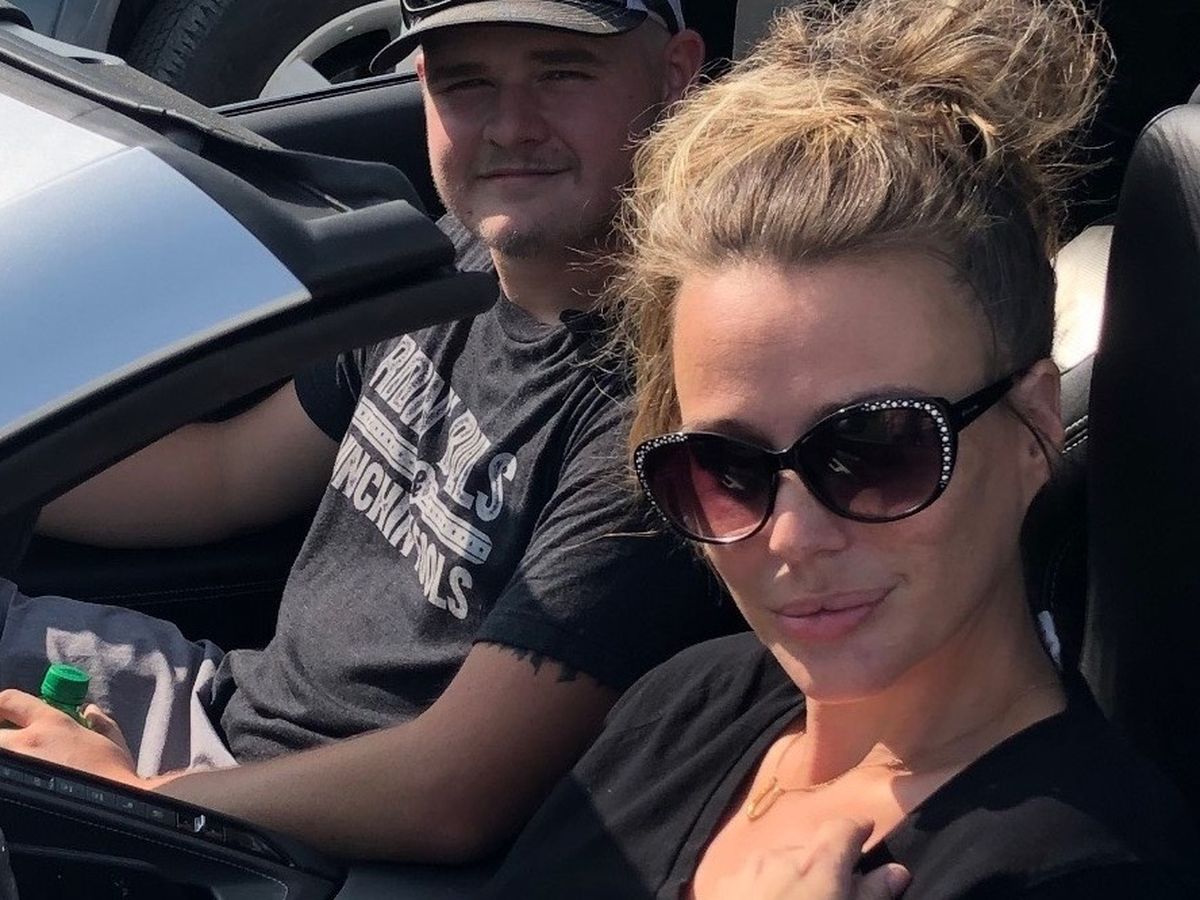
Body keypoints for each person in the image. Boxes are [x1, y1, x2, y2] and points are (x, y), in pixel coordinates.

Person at [482, 0, 1200, 896]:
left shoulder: (1088, 874)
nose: (791, 538)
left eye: (876, 449)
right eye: (725, 469)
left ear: (1035, 428)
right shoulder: (686, 703)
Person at [0, 0, 735, 863]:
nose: (511, 126)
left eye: (561, 74)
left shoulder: (661, 416)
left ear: (676, 73)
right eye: (466, 83)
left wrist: (130, 799)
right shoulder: (457, 260)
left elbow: (454, 790)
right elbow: (224, 475)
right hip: (216, 712)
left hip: (288, 841)